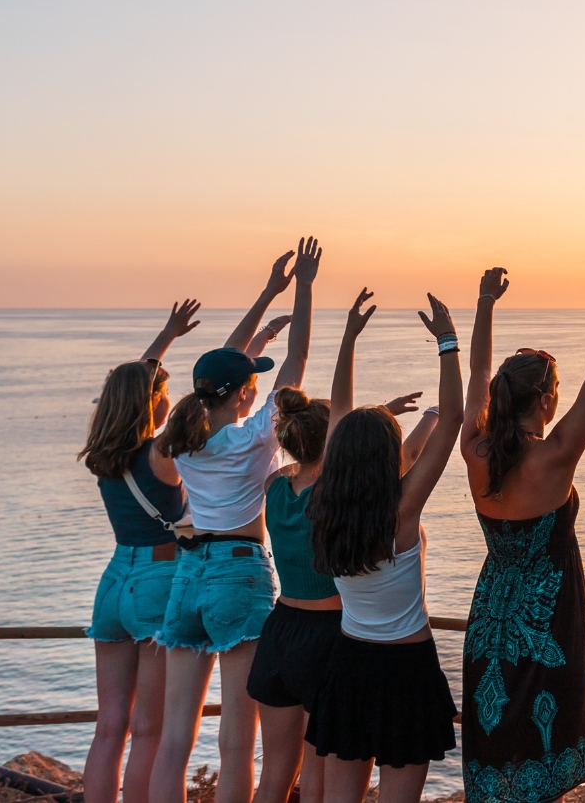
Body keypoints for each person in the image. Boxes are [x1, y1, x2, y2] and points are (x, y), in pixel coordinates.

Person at [148, 239, 319, 803]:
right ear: (247, 393)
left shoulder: (185, 438)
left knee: (174, 737)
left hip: (188, 575)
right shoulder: (252, 439)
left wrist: (269, 289)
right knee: (237, 742)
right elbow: (294, 363)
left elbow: (221, 362)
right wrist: (305, 287)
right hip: (239, 575)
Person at [247, 288, 430, 803]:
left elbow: (339, 434)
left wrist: (351, 345)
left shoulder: (276, 486)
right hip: (331, 637)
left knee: (275, 774)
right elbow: (399, 453)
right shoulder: (334, 496)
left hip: (280, 631)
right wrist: (425, 419)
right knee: (326, 779)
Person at [301, 291, 467, 803]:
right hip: (404, 669)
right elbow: (453, 420)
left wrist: (348, 338)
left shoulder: (328, 504)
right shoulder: (401, 511)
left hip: (349, 663)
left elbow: (341, 420)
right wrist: (446, 341)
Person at [459, 261, 585, 803]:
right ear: (546, 400)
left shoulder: (476, 450)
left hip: (493, 620)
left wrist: (484, 304)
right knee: (545, 764)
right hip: (549, 623)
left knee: (495, 755)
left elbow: (477, 378)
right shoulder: (556, 457)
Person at [80, 301, 200, 803]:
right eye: (164, 396)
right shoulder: (159, 454)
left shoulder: (105, 453)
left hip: (113, 584)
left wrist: (166, 337)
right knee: (150, 730)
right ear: (151, 403)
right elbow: (214, 401)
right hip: (158, 582)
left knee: (110, 729)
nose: (168, 404)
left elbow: (128, 386)